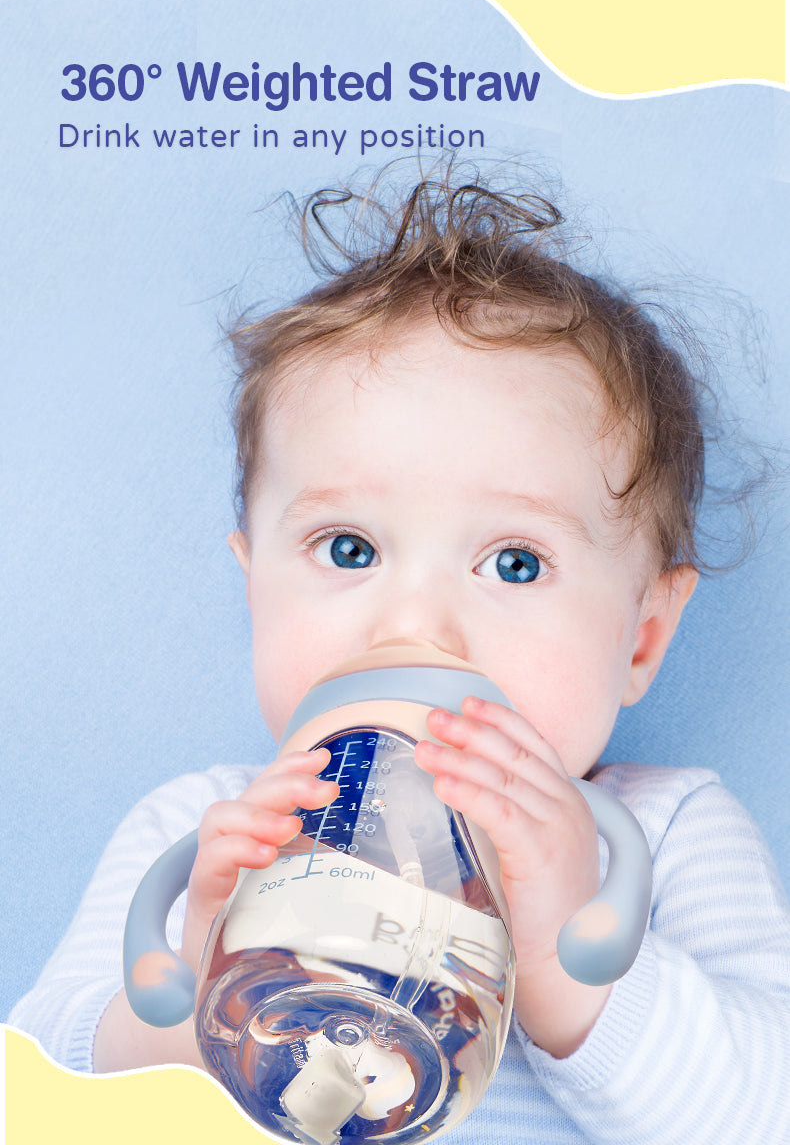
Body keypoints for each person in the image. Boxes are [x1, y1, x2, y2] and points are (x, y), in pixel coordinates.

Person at [10, 169, 790, 1143]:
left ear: (640, 638)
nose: (415, 623)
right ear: (255, 588)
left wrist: (567, 966)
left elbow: (766, 1113)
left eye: (513, 563)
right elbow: (37, 1083)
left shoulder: (662, 837)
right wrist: (194, 990)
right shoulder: (205, 830)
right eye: (349, 549)